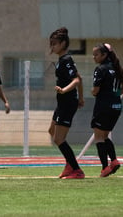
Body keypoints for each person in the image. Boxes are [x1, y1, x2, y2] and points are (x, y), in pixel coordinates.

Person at [48, 27, 85, 179]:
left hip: (67, 102)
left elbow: (76, 80)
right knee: (52, 131)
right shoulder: (61, 60)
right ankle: (70, 164)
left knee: (58, 139)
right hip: (63, 102)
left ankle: (77, 170)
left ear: (63, 44)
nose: (52, 47)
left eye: (54, 44)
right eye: (51, 44)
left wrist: (64, 90)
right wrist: (81, 98)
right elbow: (80, 78)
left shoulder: (67, 60)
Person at [91, 43, 123, 177]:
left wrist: (94, 92)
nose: (94, 57)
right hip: (116, 106)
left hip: (103, 106)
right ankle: (114, 161)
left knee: (98, 137)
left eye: (96, 54)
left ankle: (104, 168)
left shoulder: (100, 69)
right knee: (105, 135)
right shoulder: (117, 68)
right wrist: (115, 95)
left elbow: (96, 90)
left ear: (104, 55)